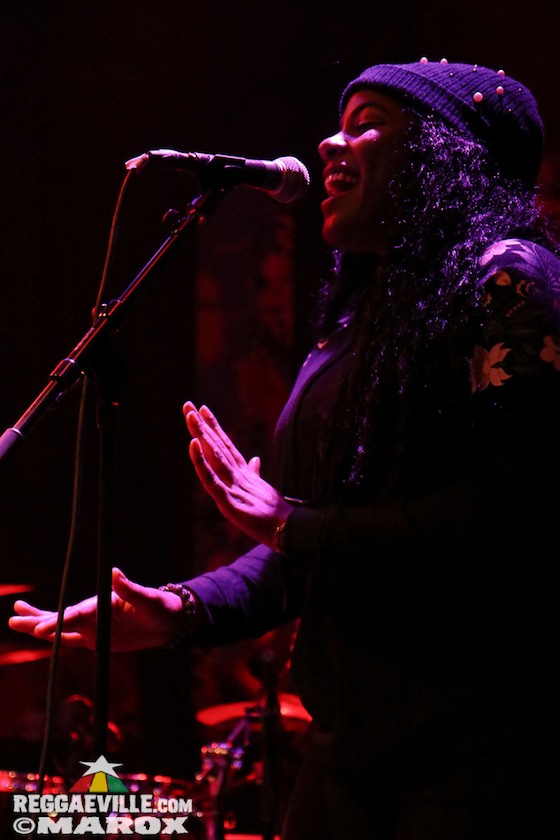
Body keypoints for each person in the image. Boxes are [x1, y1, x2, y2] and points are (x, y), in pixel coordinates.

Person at [10, 58, 560, 839]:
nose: (331, 143)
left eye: (368, 125)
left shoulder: (512, 284)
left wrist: (289, 525)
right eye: (340, 124)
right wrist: (180, 610)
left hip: (480, 762)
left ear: (448, 153)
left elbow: (513, 520)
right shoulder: (362, 322)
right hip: (347, 762)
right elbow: (313, 545)